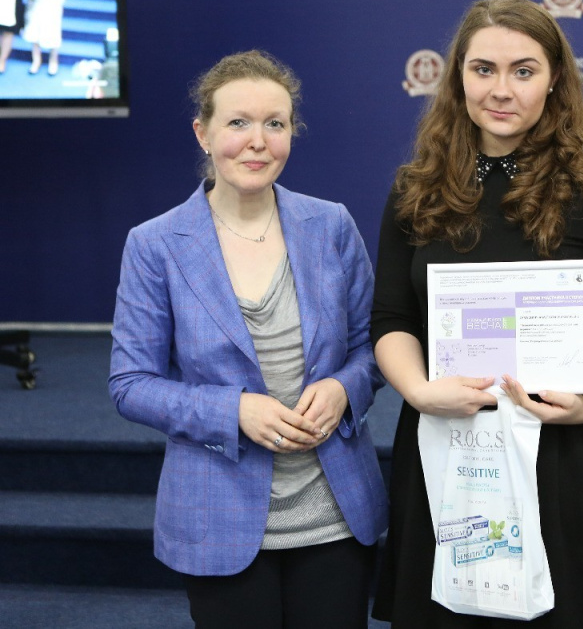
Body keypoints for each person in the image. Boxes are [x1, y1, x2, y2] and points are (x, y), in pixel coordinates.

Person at [371, 0, 583, 628]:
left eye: (523, 71)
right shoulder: (413, 188)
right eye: (483, 69)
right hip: (445, 443)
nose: (501, 90)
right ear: (458, 77)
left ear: (554, 80)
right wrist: (418, 391)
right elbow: (390, 318)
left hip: (559, 449)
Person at [109, 50, 387, 628]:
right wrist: (232, 411)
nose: (258, 141)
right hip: (218, 519)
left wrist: (344, 388)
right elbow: (131, 384)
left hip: (334, 514)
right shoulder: (155, 244)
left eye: (275, 124)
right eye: (238, 122)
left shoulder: (331, 225)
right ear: (203, 133)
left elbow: (374, 346)